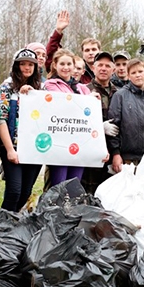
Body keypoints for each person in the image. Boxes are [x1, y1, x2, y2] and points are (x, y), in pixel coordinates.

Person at [0, 48, 43, 212]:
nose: (27, 68)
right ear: (16, 66)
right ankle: (1, 226)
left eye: (31, 64)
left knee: (25, 192)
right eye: (22, 64)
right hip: (13, 146)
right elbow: (1, 118)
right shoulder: (6, 87)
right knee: (14, 190)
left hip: (34, 148)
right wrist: (9, 149)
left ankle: (13, 226)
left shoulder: (41, 89)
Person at [44, 48, 97, 186]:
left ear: (74, 66)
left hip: (79, 143)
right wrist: (87, 100)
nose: (66, 67)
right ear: (55, 65)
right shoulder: (50, 84)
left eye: (69, 64)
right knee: (59, 185)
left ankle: (71, 208)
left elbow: (90, 114)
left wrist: (92, 100)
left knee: (74, 186)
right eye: (62, 64)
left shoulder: (83, 88)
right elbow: (64, 103)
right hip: (60, 143)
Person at [108, 59, 144, 173]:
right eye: (133, 73)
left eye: (140, 71)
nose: (138, 75)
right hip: (127, 159)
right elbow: (113, 127)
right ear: (128, 76)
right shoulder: (120, 96)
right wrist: (115, 153)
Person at [82, 51, 119, 193]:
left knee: (109, 194)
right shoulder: (83, 91)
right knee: (88, 192)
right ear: (93, 68)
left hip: (113, 151)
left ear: (113, 70)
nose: (103, 68)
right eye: (100, 65)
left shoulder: (119, 93)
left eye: (108, 66)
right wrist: (99, 127)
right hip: (89, 152)